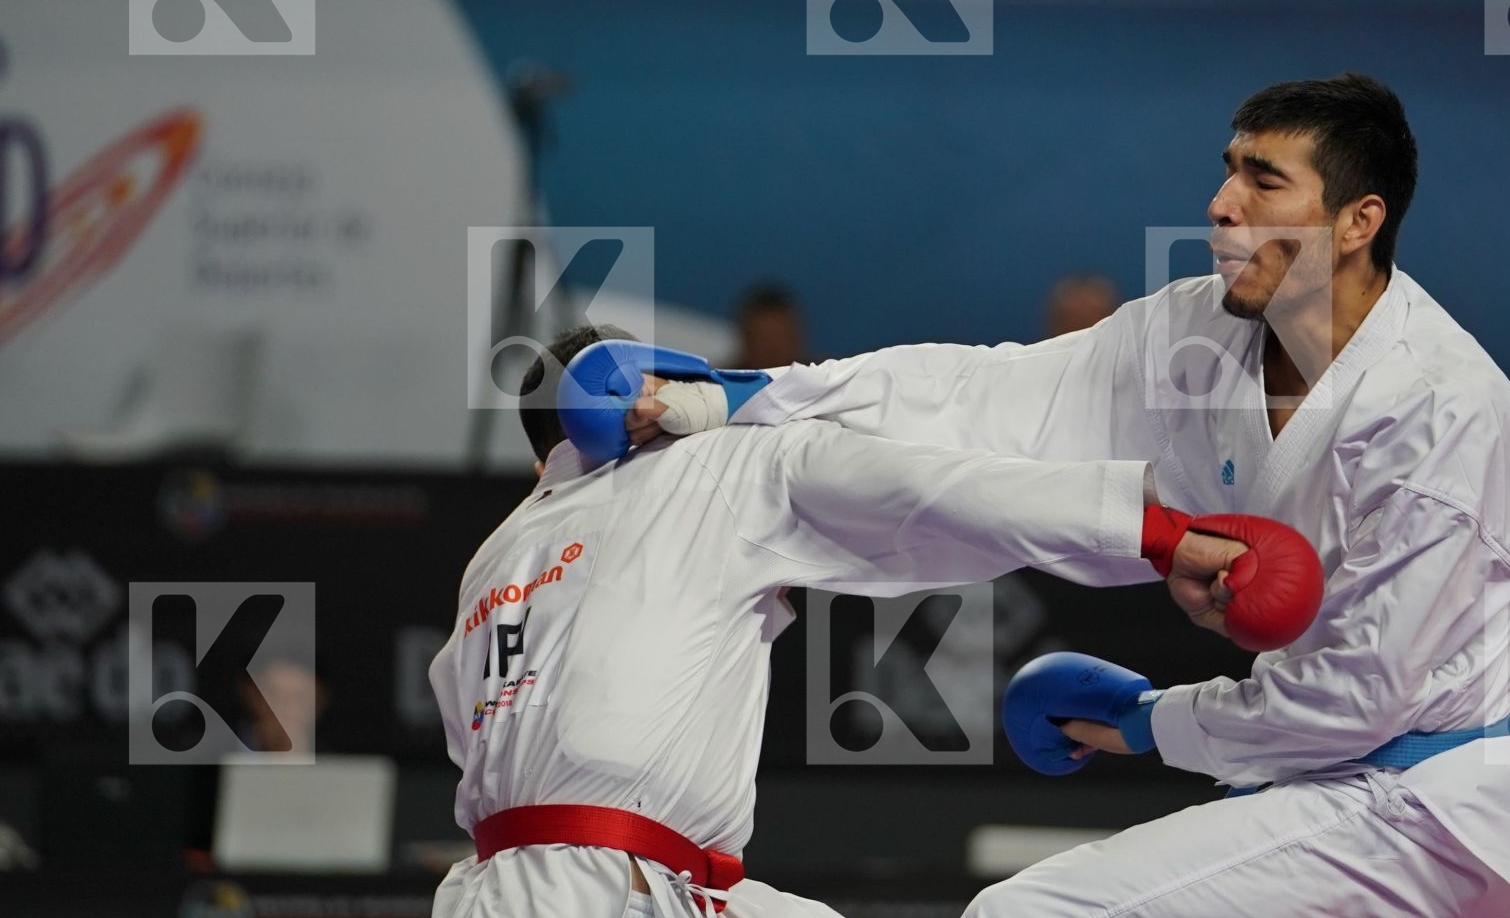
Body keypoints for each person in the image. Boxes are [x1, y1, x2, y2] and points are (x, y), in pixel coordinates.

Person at [630, 73, 1510, 917]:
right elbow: (985, 395)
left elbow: (1362, 699)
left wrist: (1145, 722)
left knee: (1030, 916)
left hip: (1419, 808)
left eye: (1265, 182)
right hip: (1316, 790)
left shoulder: (1440, 407)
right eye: (1227, 173)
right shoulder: (1195, 335)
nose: (1222, 205)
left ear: (1357, 222)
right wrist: (753, 399)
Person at [428, 323, 1315, 918]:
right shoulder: (713, 470)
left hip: (519, 889)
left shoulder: (492, 559)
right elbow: (931, 490)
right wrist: (1160, 532)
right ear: (627, 394)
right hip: (605, 892)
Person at [732, 284, 808, 370]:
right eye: (762, 338)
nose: (772, 348)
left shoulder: (819, 379)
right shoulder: (721, 382)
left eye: (779, 336)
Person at [1043, 272, 1119, 338]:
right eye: (1074, 318)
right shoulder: (1036, 353)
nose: (1083, 322)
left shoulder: (1127, 353)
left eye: (1092, 314)